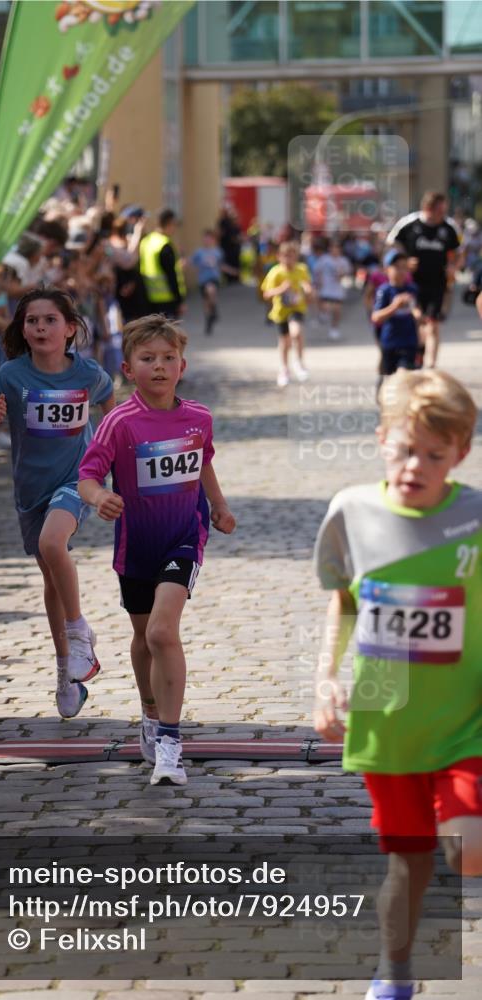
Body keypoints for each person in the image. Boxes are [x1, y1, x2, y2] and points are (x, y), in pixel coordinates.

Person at [313, 368, 482, 1000]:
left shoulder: (475, 516)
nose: (416, 465)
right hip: (389, 723)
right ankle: (395, 972)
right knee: (407, 864)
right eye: (405, 449)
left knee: (467, 849)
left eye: (434, 456)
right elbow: (343, 602)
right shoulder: (350, 513)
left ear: (459, 454)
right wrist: (325, 679)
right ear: (382, 439)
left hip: (468, 717)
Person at [78, 314, 236, 786]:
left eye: (169, 358)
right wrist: (99, 497)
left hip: (184, 537)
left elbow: (203, 463)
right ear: (129, 368)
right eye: (149, 359)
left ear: (182, 366)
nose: (160, 367)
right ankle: (149, 710)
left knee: (164, 633)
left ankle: (170, 741)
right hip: (136, 546)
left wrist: (219, 507)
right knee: (145, 636)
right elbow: (88, 475)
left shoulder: (199, 418)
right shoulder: (119, 423)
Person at [0, 287, 115, 719]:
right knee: (51, 579)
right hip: (30, 490)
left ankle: (80, 632)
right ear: (23, 330)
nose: (41, 327)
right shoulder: (11, 375)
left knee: (54, 545)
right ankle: (66, 670)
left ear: (70, 329)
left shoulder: (87, 373)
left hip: (76, 480)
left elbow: (111, 406)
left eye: (50, 320)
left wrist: (108, 450)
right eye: (33, 321)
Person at [387, 192, 461, 368]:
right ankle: (417, 354)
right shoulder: (409, 224)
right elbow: (391, 245)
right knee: (417, 322)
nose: (443, 214)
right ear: (428, 208)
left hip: (438, 283)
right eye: (440, 210)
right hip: (412, 283)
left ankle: (431, 366)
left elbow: (459, 252)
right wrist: (405, 260)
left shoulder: (449, 227)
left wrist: (453, 266)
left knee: (433, 324)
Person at [261, 240, 312, 387]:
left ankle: (299, 362)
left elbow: (308, 286)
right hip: (281, 311)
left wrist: (308, 290)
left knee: (296, 333)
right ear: (279, 257)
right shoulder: (276, 272)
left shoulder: (302, 269)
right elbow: (266, 294)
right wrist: (281, 289)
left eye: (292, 256)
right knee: (284, 341)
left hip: (297, 308)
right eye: (286, 256)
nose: (289, 260)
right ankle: (284, 369)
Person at [371, 249, 421, 392]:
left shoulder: (412, 289)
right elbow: (376, 317)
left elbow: (416, 309)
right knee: (389, 378)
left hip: (409, 341)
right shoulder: (384, 291)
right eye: (396, 267)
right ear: (387, 269)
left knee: (403, 374)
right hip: (390, 341)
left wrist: (418, 315)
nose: (401, 271)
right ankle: (385, 398)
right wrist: (394, 306)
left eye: (404, 267)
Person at [139, 208, 186, 320]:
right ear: (169, 223)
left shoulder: (146, 241)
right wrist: (179, 301)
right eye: (174, 225)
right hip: (167, 299)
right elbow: (171, 274)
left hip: (148, 298)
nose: (175, 229)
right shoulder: (164, 244)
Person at [311, 238, 351, 340]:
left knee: (337, 310)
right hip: (326, 288)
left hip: (337, 289)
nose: (335, 250)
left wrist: (342, 274)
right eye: (333, 248)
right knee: (326, 307)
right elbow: (317, 271)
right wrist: (317, 283)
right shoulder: (324, 259)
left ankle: (334, 328)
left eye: (337, 248)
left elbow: (347, 273)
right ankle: (322, 315)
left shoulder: (344, 261)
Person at [189, 229, 224, 335]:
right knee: (206, 303)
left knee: (211, 290)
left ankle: (214, 309)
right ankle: (209, 321)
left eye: (209, 238)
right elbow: (192, 262)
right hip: (202, 279)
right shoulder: (199, 252)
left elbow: (220, 265)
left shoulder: (217, 251)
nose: (207, 240)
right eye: (205, 238)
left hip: (214, 278)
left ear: (213, 240)